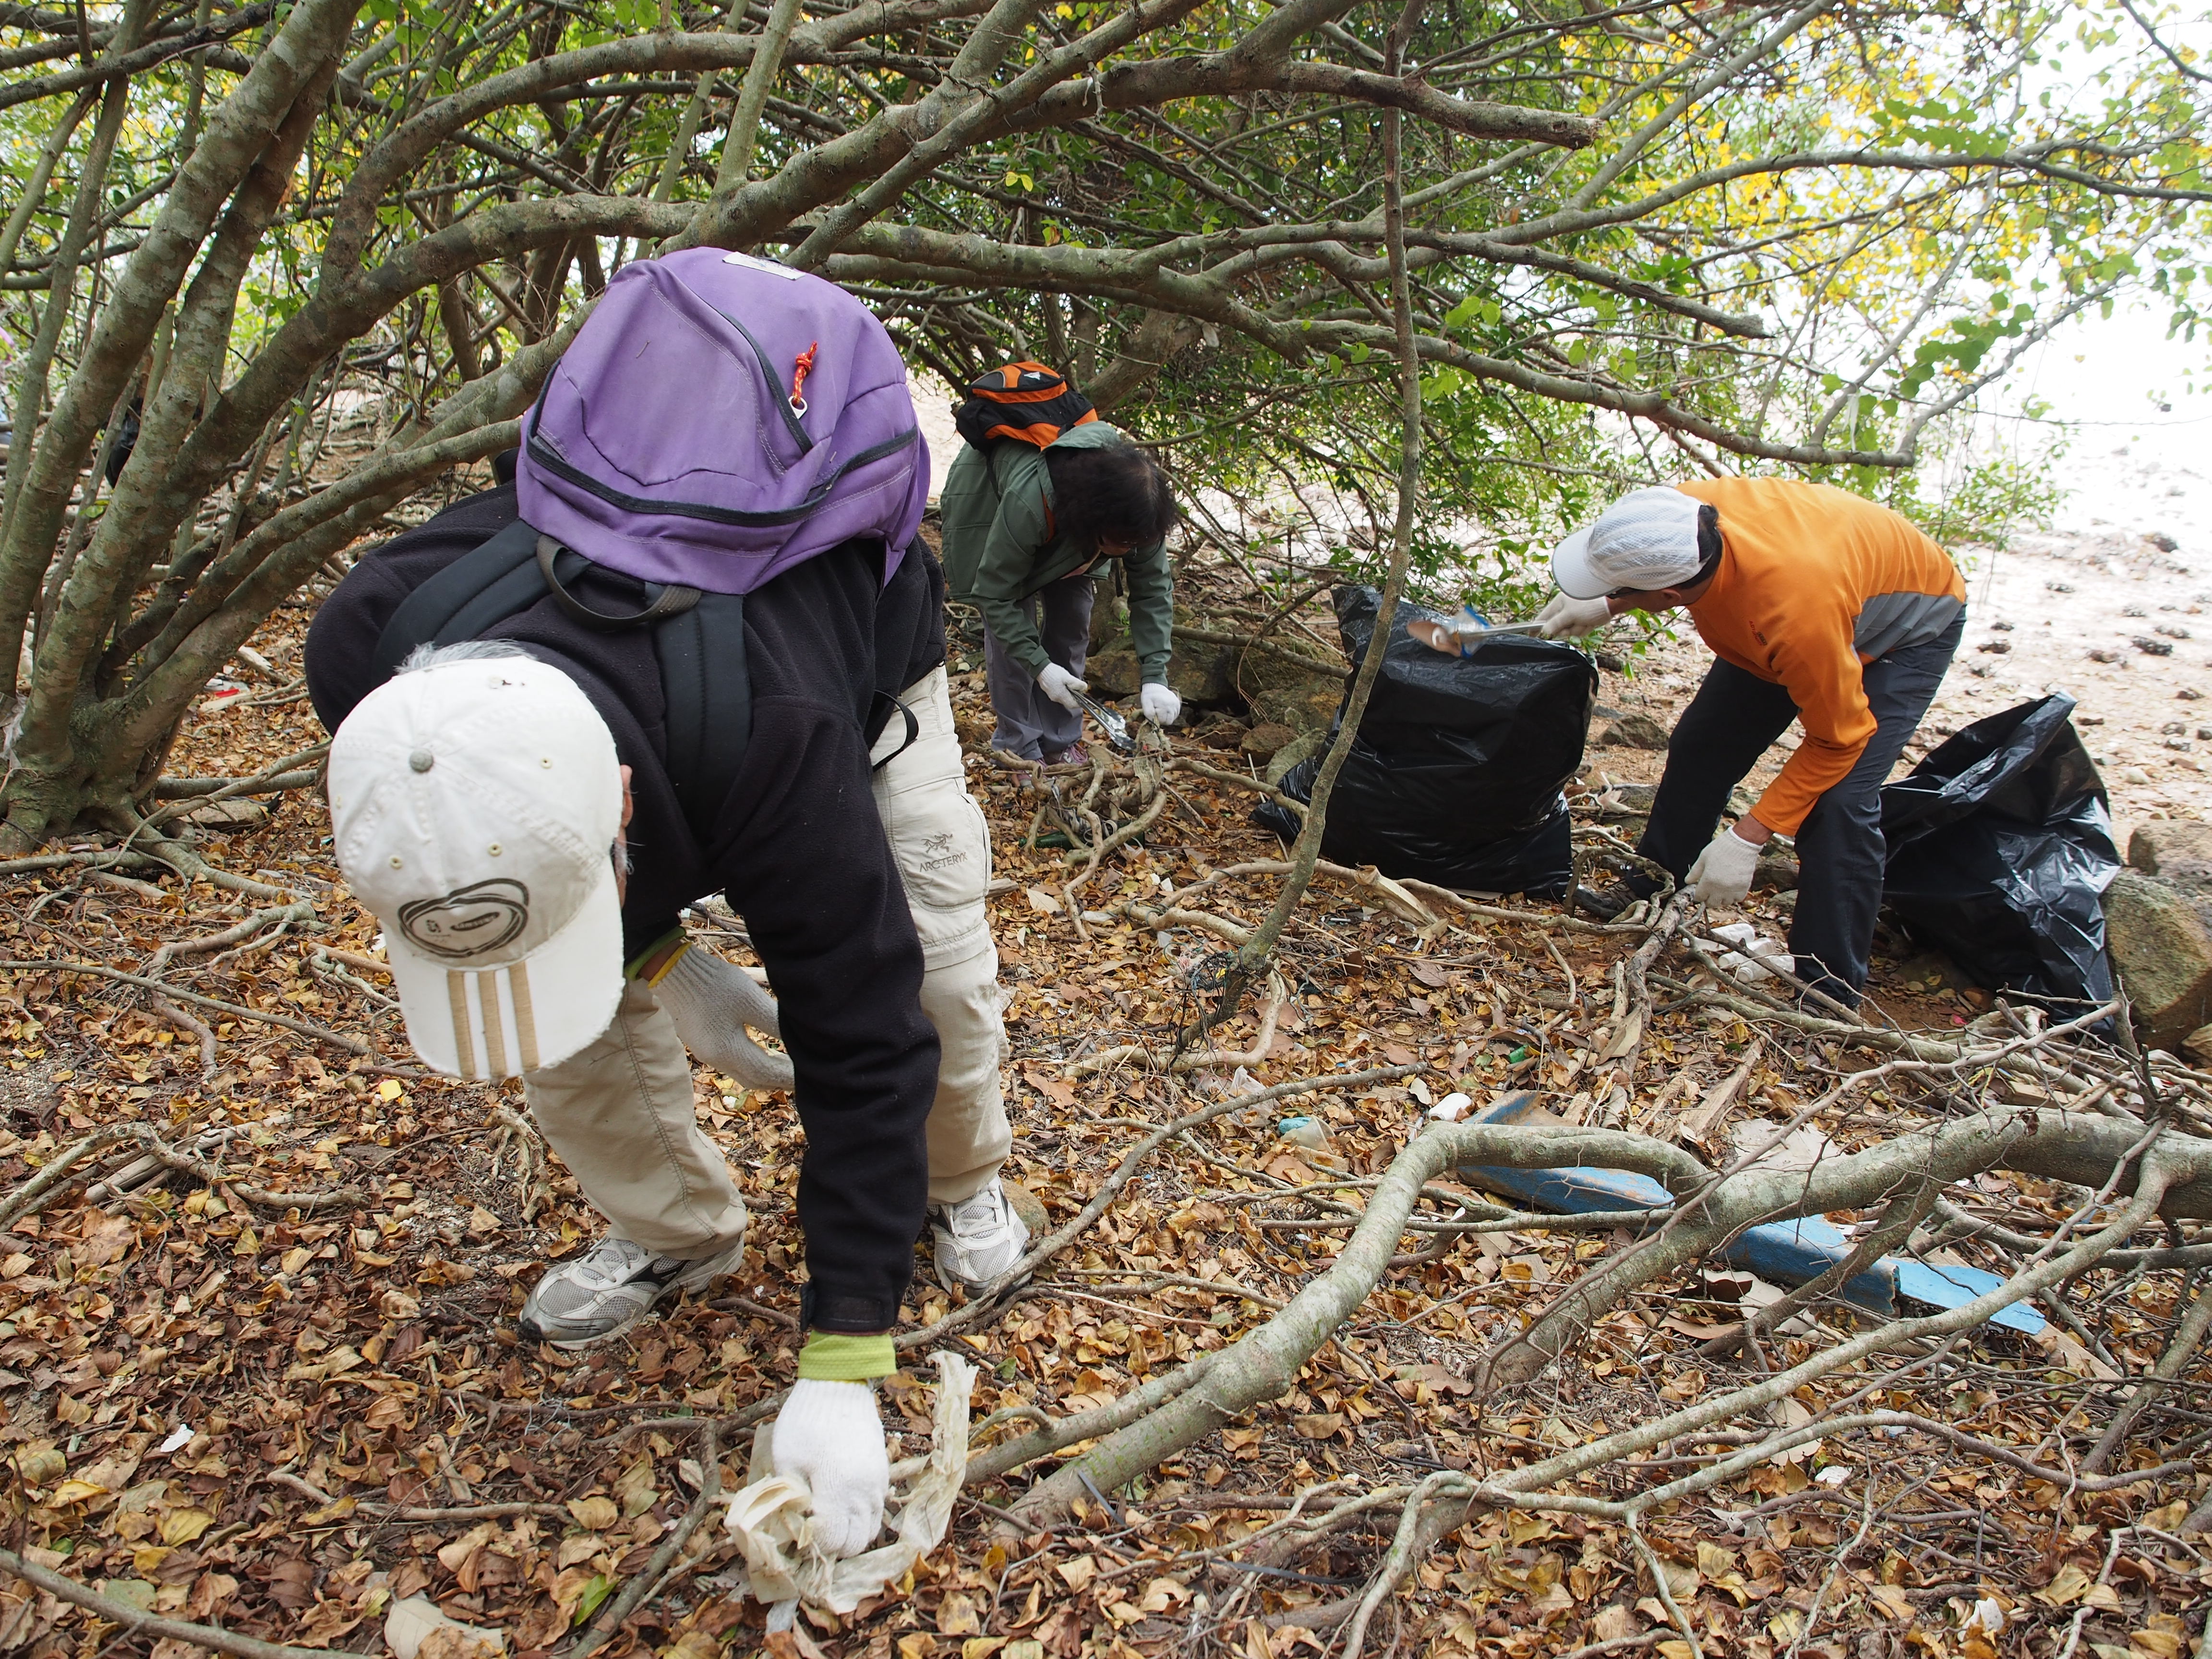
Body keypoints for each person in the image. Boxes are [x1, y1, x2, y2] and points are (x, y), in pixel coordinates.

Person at [305, 249, 1025, 1558]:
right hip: (666, 736)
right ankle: (672, 1232)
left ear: (620, 814)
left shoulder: (780, 738)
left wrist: (847, 1364)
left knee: (930, 963)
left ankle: (963, 1179)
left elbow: (863, 1041)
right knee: (559, 1024)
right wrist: (656, 957)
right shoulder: (370, 647)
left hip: (863, 679)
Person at [1536, 478, 1965, 1010]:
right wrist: (1607, 602)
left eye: (1622, 588)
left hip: (1907, 624)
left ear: (1669, 596)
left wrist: (1750, 836)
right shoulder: (1676, 515)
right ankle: (1651, 884)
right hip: (1802, 599)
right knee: (1701, 744)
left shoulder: (1794, 616)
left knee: (1840, 803)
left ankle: (1829, 989)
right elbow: (1660, 565)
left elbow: (1840, 739)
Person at [938, 419, 1181, 762]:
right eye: (1123, 543)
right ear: (1097, 524)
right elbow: (995, 595)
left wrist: (1155, 676)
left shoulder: (1141, 513)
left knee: (1073, 623)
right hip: (992, 505)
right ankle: (1017, 748)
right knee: (1013, 641)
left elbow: (1154, 591)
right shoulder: (1031, 503)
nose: (1130, 550)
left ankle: (1060, 743)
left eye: (1136, 544)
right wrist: (1041, 667)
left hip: (1076, 537)